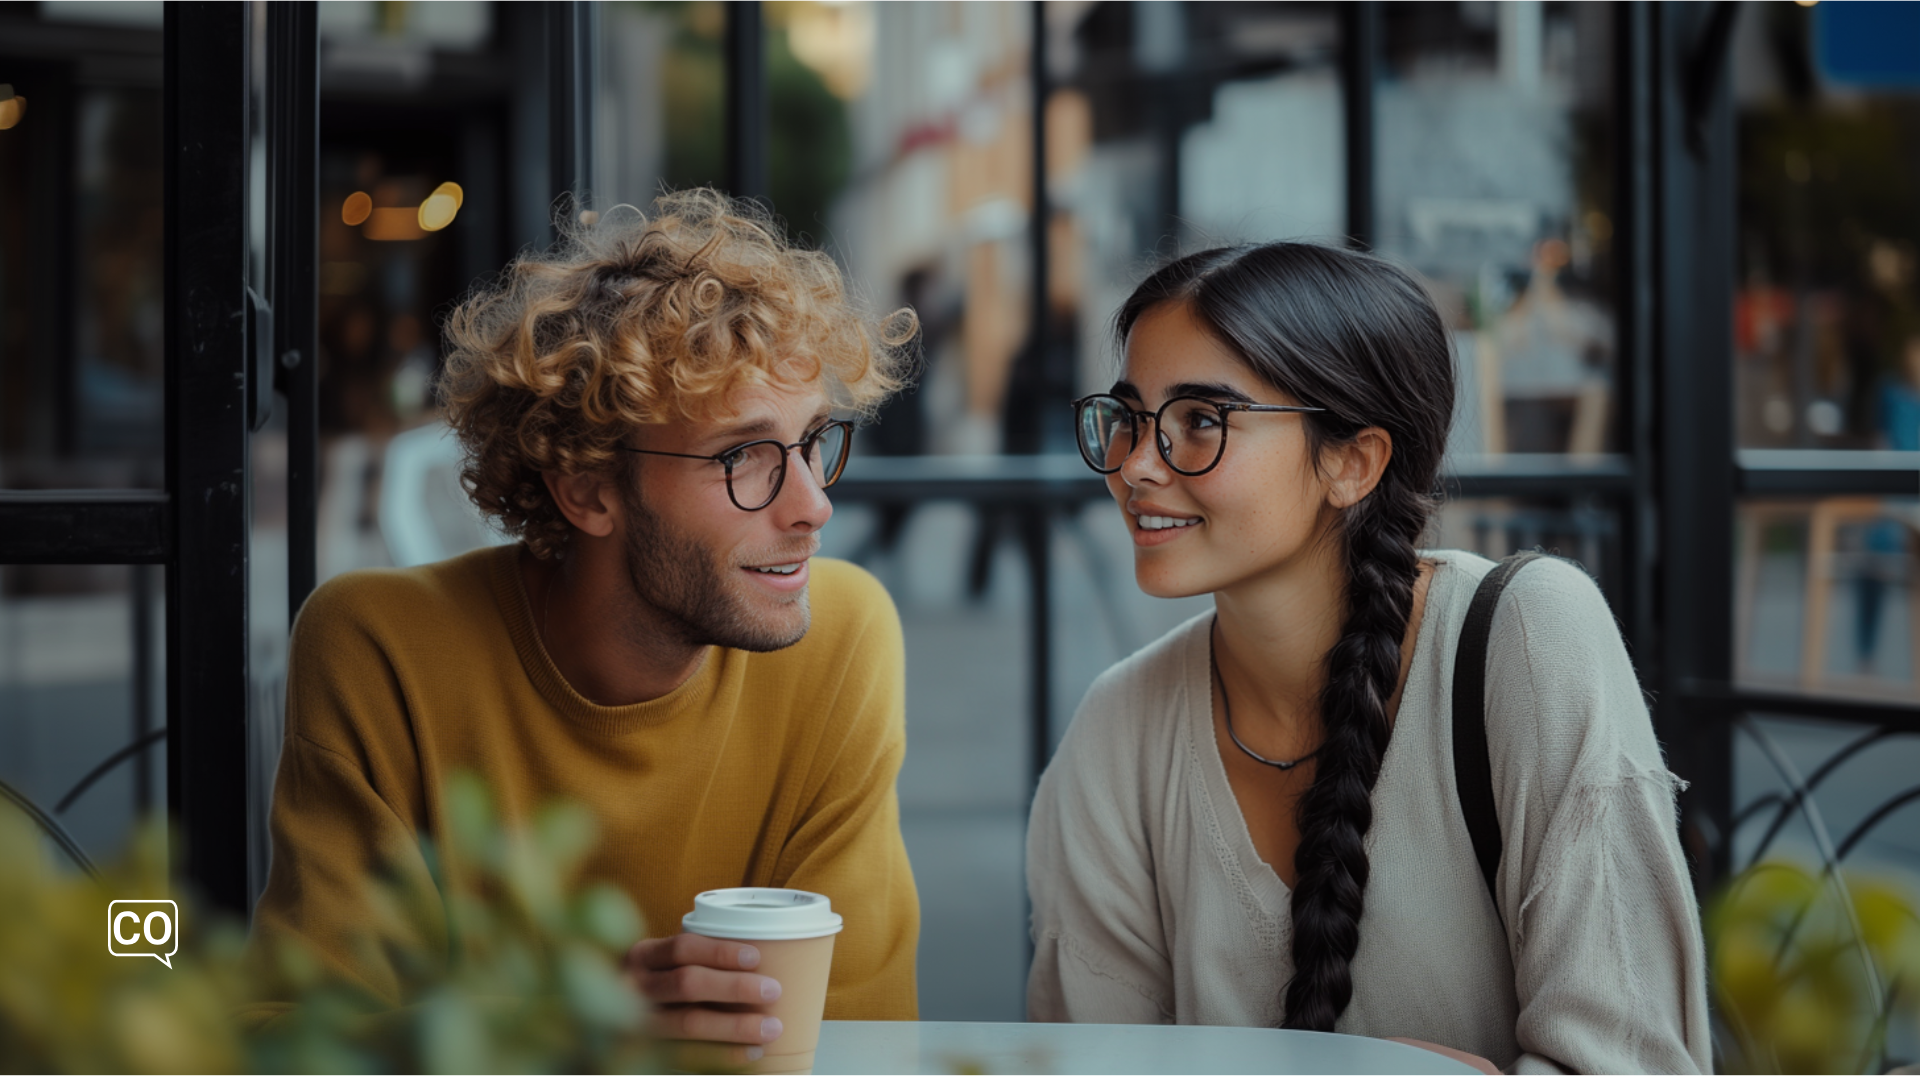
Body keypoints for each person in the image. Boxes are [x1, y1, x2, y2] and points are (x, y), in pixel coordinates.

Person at [249, 190, 921, 1062]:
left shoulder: (841, 637)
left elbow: (861, 1043)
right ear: (589, 489)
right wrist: (572, 1029)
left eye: (811, 442)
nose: (814, 505)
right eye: (744, 457)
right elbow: (292, 1046)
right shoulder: (381, 652)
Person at [1027, 242, 1710, 1074]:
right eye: (1130, 418)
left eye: (1200, 422)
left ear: (1352, 462)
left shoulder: (1526, 639)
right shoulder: (1118, 727)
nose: (1135, 465)